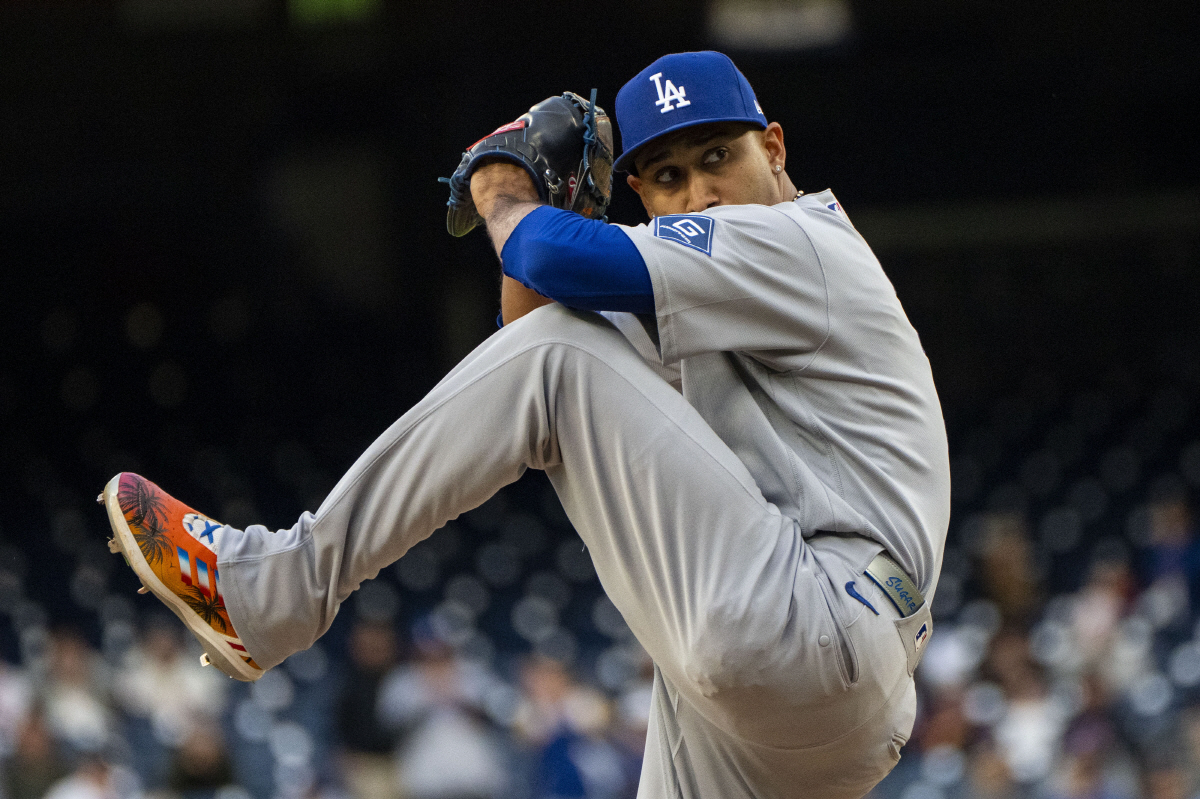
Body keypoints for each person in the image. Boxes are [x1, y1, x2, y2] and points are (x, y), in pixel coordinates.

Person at [99, 51, 950, 798]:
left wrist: (507, 197)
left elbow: (544, 283)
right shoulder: (701, 288)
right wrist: (554, 213)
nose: (700, 192)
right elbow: (527, 351)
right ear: (643, 196)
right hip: (813, 698)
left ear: (775, 147)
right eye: (666, 177)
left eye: (717, 156)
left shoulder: (798, 240)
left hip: (819, 617)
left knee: (558, 358)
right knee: (555, 354)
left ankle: (270, 587)